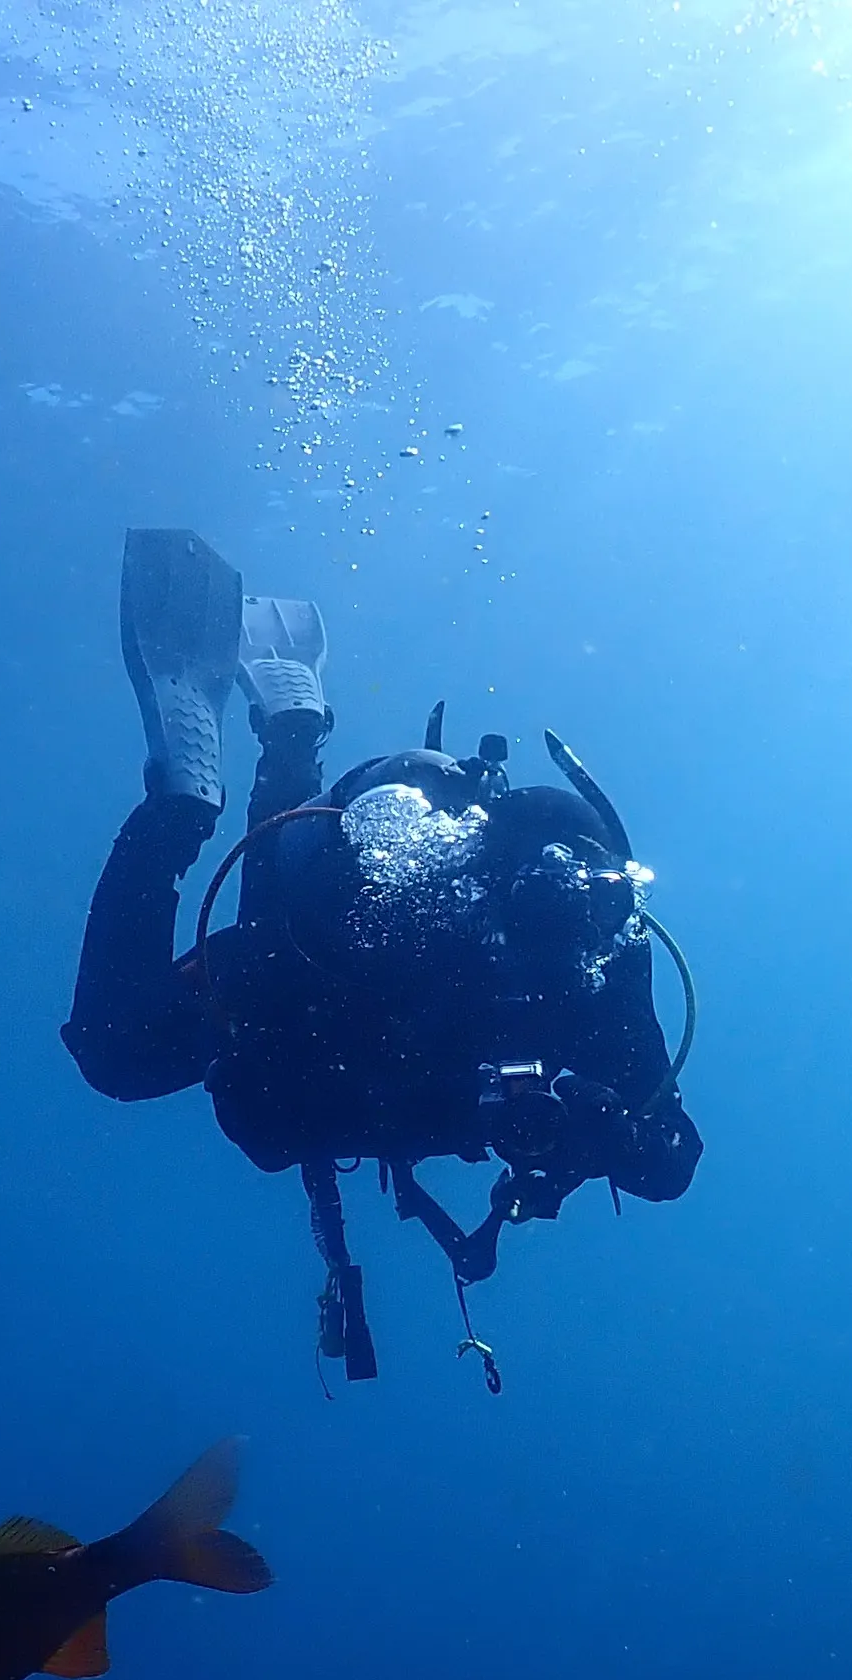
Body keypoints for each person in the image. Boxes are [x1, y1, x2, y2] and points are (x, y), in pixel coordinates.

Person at [65, 531, 698, 1382]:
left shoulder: (602, 958)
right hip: (323, 1011)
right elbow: (280, 939)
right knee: (140, 1041)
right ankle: (206, 793)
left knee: (197, 1019)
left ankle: (248, 765)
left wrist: (605, 1127)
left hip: (322, 1029)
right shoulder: (524, 945)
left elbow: (671, 1161)